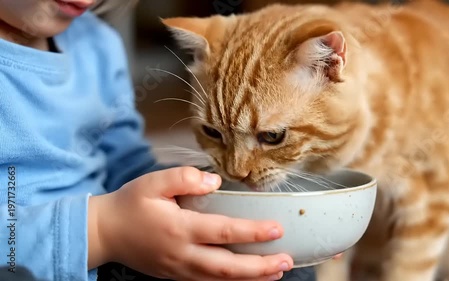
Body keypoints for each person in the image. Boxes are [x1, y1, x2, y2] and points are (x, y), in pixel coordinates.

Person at [0, 1, 339, 280]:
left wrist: (208, 201)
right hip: (31, 263)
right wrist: (105, 230)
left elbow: (124, 164)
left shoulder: (97, 43)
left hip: (121, 253)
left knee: (279, 260)